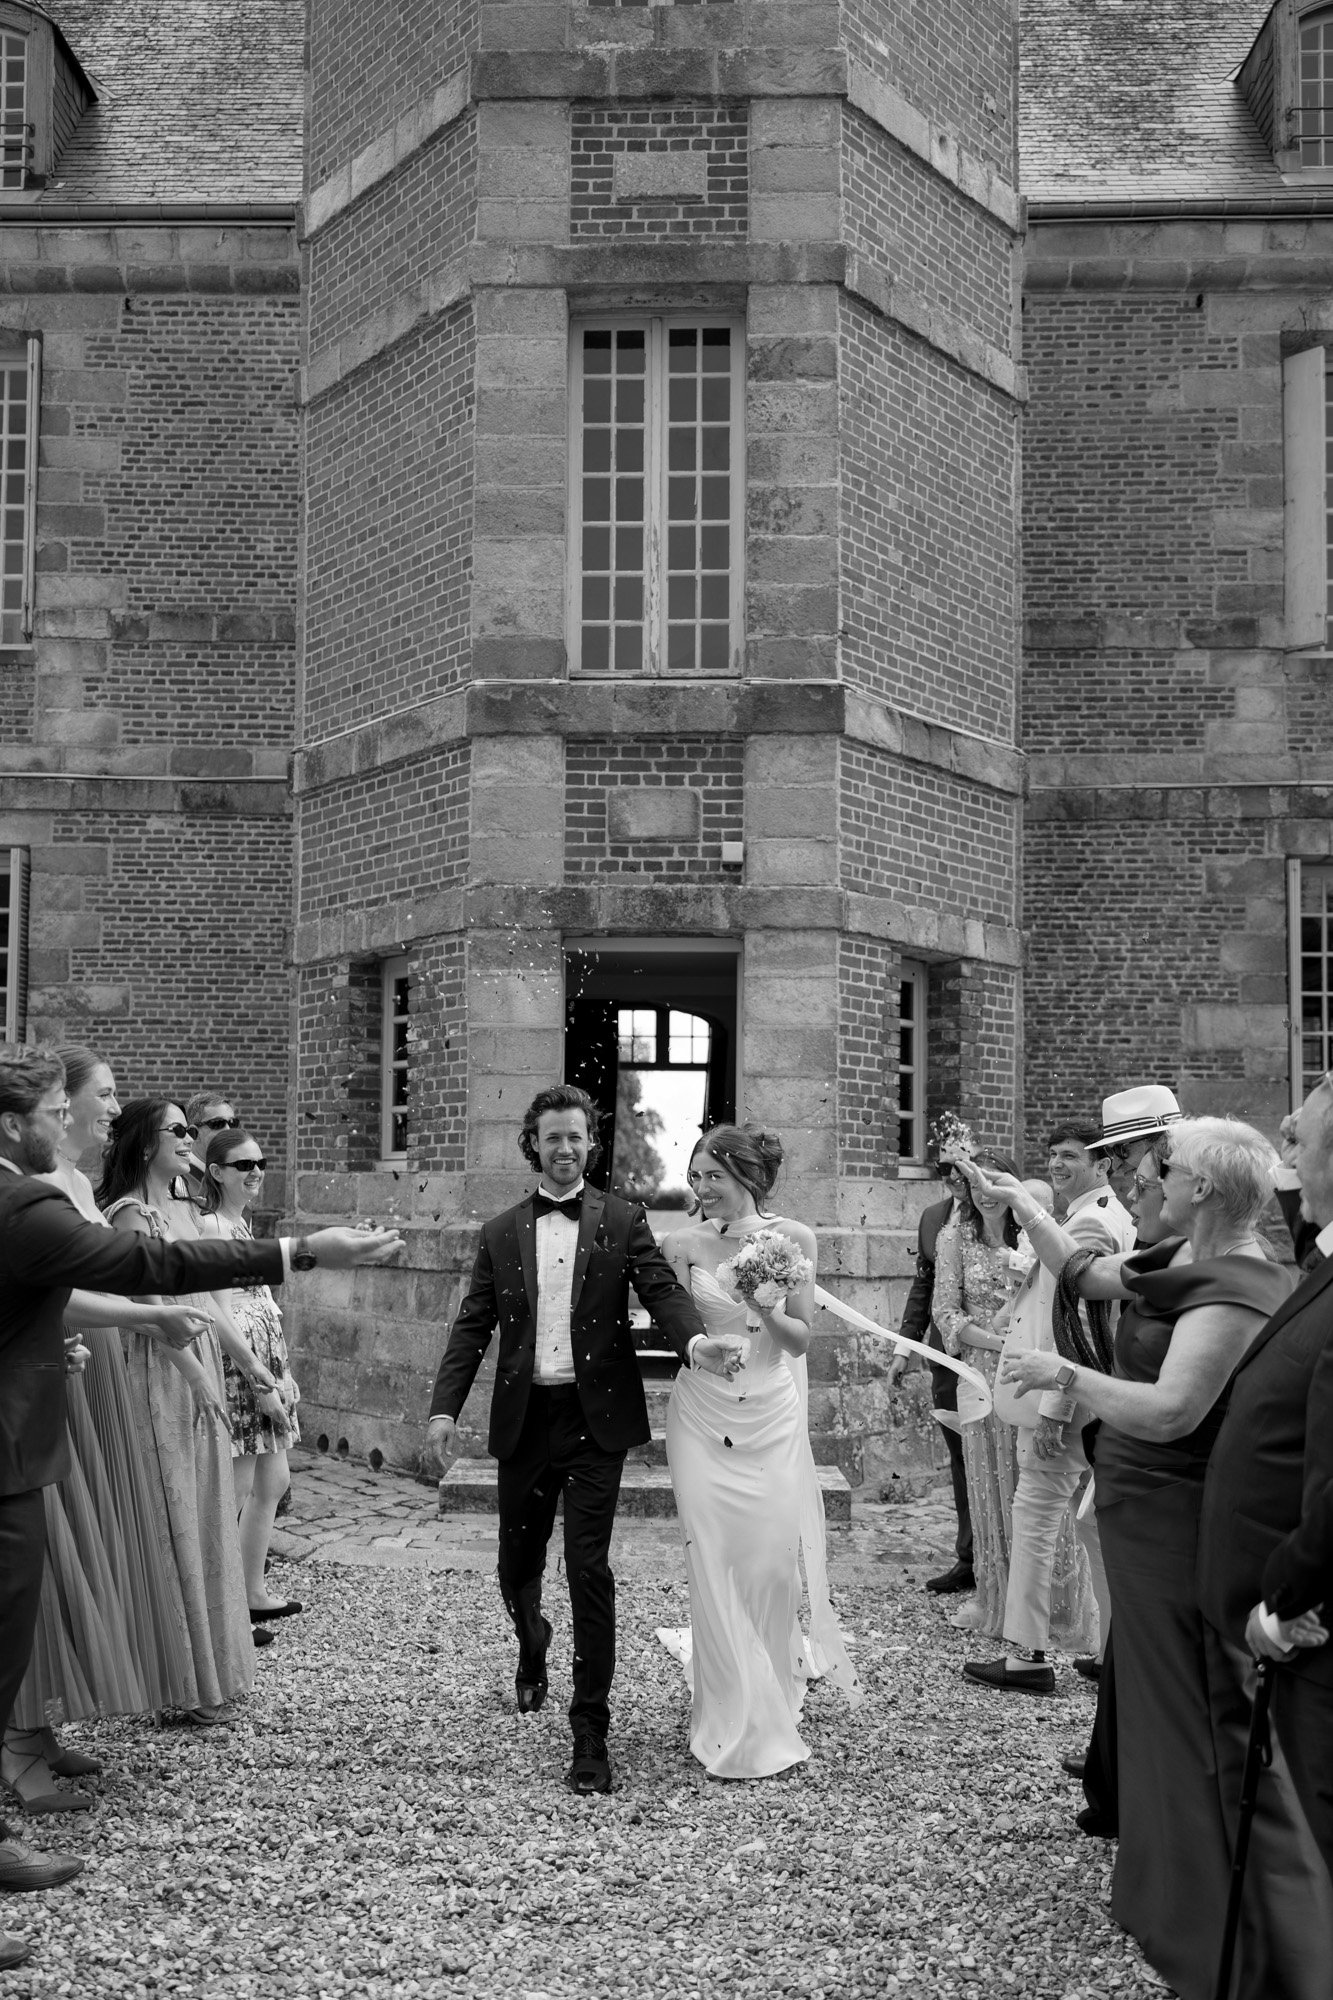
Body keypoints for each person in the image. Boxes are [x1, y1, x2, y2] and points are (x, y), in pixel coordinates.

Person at [0, 1045, 400, 1971]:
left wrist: (43, 1341)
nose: (71, 1123)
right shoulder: (21, 1203)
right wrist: (304, 1250)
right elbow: (151, 1260)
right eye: (58, 1110)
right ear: (14, 1125)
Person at [991, 1119, 1331, 2000]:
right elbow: (1084, 1274)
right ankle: (1155, 1880)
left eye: (1159, 1169)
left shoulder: (1238, 1287)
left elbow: (1174, 1411)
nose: (1143, 1180)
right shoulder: (1178, 1251)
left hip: (1177, 1512)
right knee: (1145, 1695)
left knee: (1192, 1701)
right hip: (1131, 1504)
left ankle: (1221, 1918)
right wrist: (1021, 1203)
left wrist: (1064, 1377)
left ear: (1201, 1188)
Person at [423, 1083, 710, 1796]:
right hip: (524, 1422)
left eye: (575, 1136)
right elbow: (472, 1324)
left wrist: (695, 1342)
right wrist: (443, 1410)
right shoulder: (499, 1232)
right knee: (515, 1565)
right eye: (552, 1136)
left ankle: (590, 1730)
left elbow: (661, 1291)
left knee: (588, 1568)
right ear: (533, 1143)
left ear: (590, 1144)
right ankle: (532, 1639)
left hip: (594, 1422)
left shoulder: (623, 1219)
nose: (564, 1148)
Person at [5, 1045, 206, 1810]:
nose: (115, 1108)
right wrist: (142, 1321)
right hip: (62, 1388)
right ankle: (18, 1741)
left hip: (86, 1378)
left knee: (73, 1567)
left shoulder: (69, 1182)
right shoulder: (38, 1189)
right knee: (49, 1571)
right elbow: (62, 1291)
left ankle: (37, 1729)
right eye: (104, 1093)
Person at [656, 1125, 862, 1779]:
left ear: (745, 1175)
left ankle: (772, 1684)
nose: (701, 1187)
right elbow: (672, 1322)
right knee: (711, 1559)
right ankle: (726, 1711)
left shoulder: (793, 1238)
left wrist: (763, 1304)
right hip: (699, 1416)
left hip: (769, 1415)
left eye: (713, 1175)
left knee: (771, 1566)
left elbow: (799, 1340)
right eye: (694, 1177)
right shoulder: (681, 1244)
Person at [1198, 1071, 1333, 1904]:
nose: (1288, 1150)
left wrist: (1281, 1604)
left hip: (1304, 1631)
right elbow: (1304, 1218)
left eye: (1301, 1140)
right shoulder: (1320, 1259)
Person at [964, 1127, 1133, 1693]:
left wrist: (1056, 1411)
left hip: (1068, 1400)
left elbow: (1079, 1323)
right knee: (1091, 1523)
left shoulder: (1090, 1224)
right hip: (1086, 1398)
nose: (1057, 1165)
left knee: (1035, 1518)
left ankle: (1027, 1656)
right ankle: (1113, 1652)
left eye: (1071, 1156)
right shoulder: (1097, 1214)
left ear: (1102, 1165)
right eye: (1053, 1155)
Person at [931, 1146, 1093, 1652]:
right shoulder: (954, 1238)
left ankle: (1058, 1607)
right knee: (990, 1487)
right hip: (981, 1376)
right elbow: (946, 1313)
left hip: (1033, 1375)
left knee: (1039, 1493)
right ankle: (998, 1601)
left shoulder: (1037, 1233)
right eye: (975, 1185)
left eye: (994, 1182)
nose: (985, 1195)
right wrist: (996, 1341)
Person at [197, 1127, 302, 1624]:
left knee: (274, 1481)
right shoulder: (212, 1227)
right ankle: (219, 1609)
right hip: (241, 1372)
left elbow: (262, 1302)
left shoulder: (240, 1224)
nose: (256, 1171)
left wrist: (285, 1372)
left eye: (260, 1163)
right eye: (244, 1165)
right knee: (235, 1489)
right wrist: (261, 1382)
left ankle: (250, 1592)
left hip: (266, 1364)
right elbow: (218, 1313)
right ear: (217, 1173)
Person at [890, 1168, 973, 1595]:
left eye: (961, 1165)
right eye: (944, 1166)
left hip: (993, 1352)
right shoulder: (932, 1217)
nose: (953, 1175)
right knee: (961, 1458)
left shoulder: (1002, 1208)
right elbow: (923, 1286)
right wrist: (904, 1349)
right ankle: (969, 1558)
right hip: (945, 1356)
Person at [183, 1090, 239, 1186]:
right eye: (218, 1123)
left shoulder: (234, 1175)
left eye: (232, 1123)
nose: (228, 1129)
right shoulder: (177, 1180)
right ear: (194, 1133)